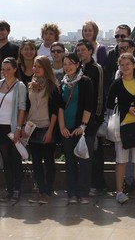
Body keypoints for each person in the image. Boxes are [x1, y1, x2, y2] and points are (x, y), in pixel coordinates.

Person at [106, 52, 135, 204]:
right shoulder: (116, 84)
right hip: (122, 126)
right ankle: (119, 191)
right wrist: (126, 109)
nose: (125, 67)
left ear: (133, 65)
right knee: (121, 160)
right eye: (122, 65)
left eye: (127, 64)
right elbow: (110, 104)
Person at [58, 52, 94, 205]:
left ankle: (83, 192)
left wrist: (83, 125)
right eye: (65, 64)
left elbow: (88, 104)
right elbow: (59, 107)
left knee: (84, 162)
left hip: (82, 128)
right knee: (70, 162)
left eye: (70, 63)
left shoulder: (86, 82)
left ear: (78, 64)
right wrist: (62, 127)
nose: (67, 67)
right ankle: (72, 192)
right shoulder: (63, 83)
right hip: (67, 128)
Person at [25, 56, 61, 204]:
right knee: (36, 163)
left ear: (45, 68)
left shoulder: (52, 86)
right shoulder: (30, 86)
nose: (36, 69)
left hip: (46, 126)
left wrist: (50, 130)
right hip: (33, 127)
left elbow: (54, 111)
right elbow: (27, 108)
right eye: (34, 66)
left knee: (48, 162)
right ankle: (40, 190)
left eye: (39, 66)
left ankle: (48, 191)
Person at [0, 57, 27, 202]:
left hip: (12, 126)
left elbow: (22, 108)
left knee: (15, 158)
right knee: (6, 160)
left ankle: (18, 189)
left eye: (8, 69)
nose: (5, 72)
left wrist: (18, 128)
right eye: (3, 69)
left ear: (14, 69)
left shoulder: (20, 86)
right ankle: (9, 189)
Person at [76, 39, 105, 196]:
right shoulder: (77, 68)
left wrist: (97, 117)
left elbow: (100, 94)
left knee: (93, 155)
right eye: (78, 50)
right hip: (78, 118)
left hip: (92, 119)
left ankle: (95, 184)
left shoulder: (96, 68)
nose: (80, 52)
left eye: (83, 50)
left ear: (90, 51)